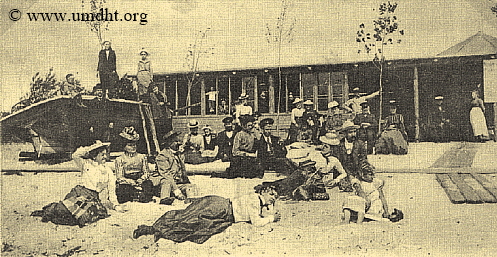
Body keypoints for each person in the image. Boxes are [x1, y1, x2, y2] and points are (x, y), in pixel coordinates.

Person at [132, 184, 280, 244]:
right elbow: (256, 222)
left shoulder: (255, 198)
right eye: (272, 195)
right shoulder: (255, 201)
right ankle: (154, 230)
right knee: (190, 223)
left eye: (275, 197)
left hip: (219, 204)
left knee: (186, 216)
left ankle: (152, 229)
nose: (273, 199)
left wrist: (270, 207)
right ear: (264, 192)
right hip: (222, 211)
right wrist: (272, 218)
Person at [31, 141, 123, 227]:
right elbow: (75, 155)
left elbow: (112, 191)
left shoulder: (108, 171)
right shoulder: (85, 164)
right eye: (102, 154)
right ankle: (49, 211)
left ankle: (52, 215)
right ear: (94, 156)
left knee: (84, 216)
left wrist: (115, 205)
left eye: (106, 154)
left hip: (92, 197)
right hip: (79, 192)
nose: (105, 157)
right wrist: (90, 148)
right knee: (65, 209)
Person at [152, 130, 197, 205]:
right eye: (176, 141)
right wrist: (176, 191)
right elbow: (166, 174)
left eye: (178, 140)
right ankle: (165, 199)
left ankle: (192, 203)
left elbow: (182, 171)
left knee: (191, 187)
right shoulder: (162, 156)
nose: (179, 143)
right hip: (163, 184)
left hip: (176, 182)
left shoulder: (178, 154)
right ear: (169, 143)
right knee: (166, 182)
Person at [115, 129, 153, 204]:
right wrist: (129, 181)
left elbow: (146, 172)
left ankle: (142, 196)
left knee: (148, 184)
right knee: (123, 189)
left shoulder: (142, 157)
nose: (133, 147)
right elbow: (119, 177)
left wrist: (141, 179)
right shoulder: (119, 159)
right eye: (130, 145)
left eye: (134, 145)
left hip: (139, 179)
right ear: (124, 147)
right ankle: (134, 196)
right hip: (127, 181)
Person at [337, 120, 373, 191]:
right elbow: (338, 162)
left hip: (357, 171)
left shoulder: (360, 144)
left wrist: (362, 172)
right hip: (343, 172)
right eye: (350, 132)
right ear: (344, 133)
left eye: (354, 132)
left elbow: (363, 159)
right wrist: (348, 175)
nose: (353, 134)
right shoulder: (339, 145)